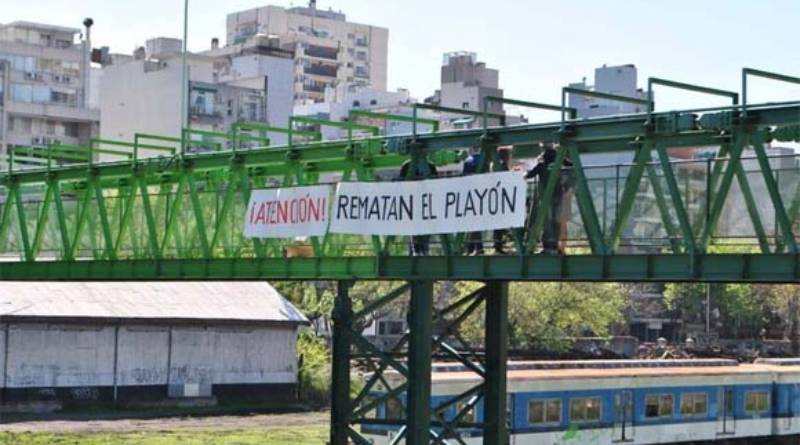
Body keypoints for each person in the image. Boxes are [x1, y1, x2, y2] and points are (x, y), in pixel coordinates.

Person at [525, 144, 574, 254]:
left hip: (546, 197)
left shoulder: (542, 164)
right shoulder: (561, 161)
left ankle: (548, 246)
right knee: (557, 222)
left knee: (547, 222)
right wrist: (569, 186)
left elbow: (529, 175)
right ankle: (556, 246)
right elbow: (573, 167)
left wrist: (520, 173)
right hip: (559, 194)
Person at [399, 158, 438, 256]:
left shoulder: (406, 165)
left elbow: (400, 184)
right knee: (422, 226)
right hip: (421, 203)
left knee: (416, 227)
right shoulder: (430, 165)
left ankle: (417, 250)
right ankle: (421, 249)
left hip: (416, 202)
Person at [462, 148, 484, 255]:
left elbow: (465, 179)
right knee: (477, 221)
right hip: (483, 193)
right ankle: (475, 247)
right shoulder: (484, 159)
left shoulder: (468, 161)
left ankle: (474, 248)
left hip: (471, 194)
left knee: (472, 222)